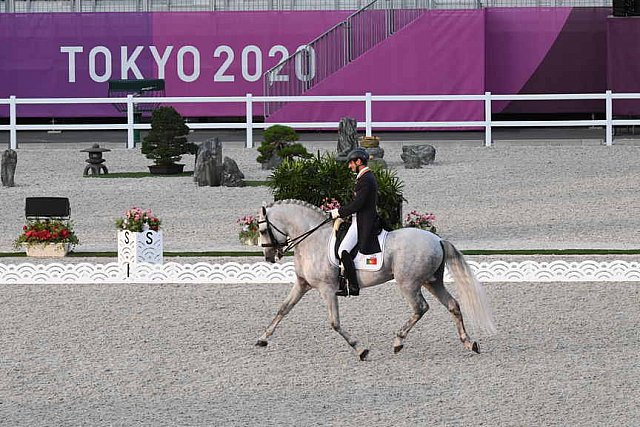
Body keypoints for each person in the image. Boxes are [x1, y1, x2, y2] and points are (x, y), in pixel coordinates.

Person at [330, 147, 381, 297]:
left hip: (363, 221)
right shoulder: (364, 177)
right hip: (357, 218)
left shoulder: (366, 179)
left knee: (343, 250)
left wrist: (338, 212)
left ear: (358, 161)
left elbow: (358, 204)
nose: (349, 166)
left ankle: (352, 286)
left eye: (351, 163)